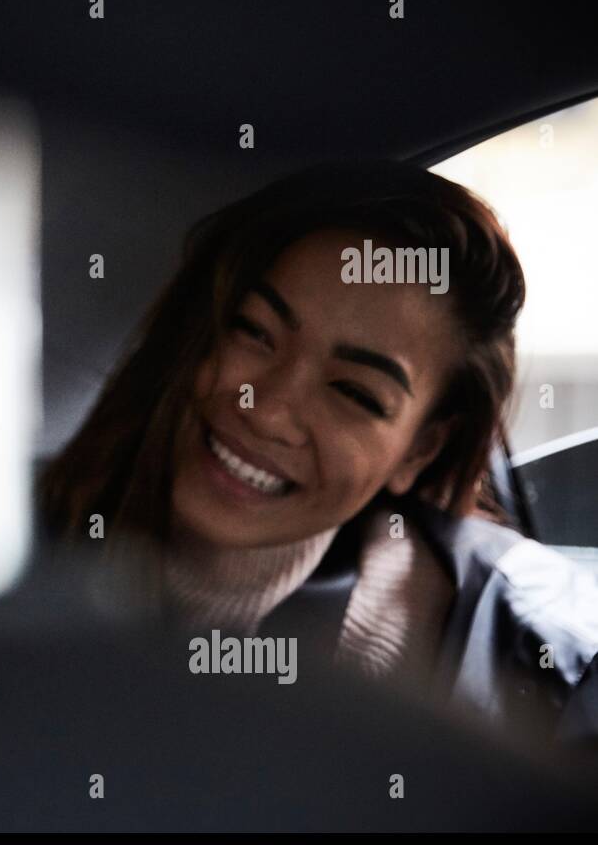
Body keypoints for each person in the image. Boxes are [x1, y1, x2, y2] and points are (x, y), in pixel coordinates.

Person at [40, 161, 598, 744]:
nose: (269, 409)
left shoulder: (542, 668)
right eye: (254, 331)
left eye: (354, 392)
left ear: (419, 449)